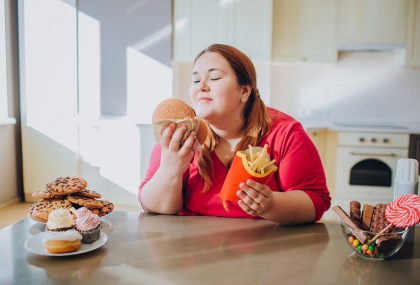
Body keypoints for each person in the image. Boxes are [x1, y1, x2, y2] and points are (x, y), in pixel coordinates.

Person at [139, 44, 331, 225]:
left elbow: (316, 201)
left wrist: (272, 204)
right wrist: (169, 170)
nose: (201, 87)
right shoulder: (180, 133)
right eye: (196, 80)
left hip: (267, 252)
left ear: (244, 91)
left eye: (214, 78)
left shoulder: (285, 133)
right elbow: (153, 207)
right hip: (193, 253)